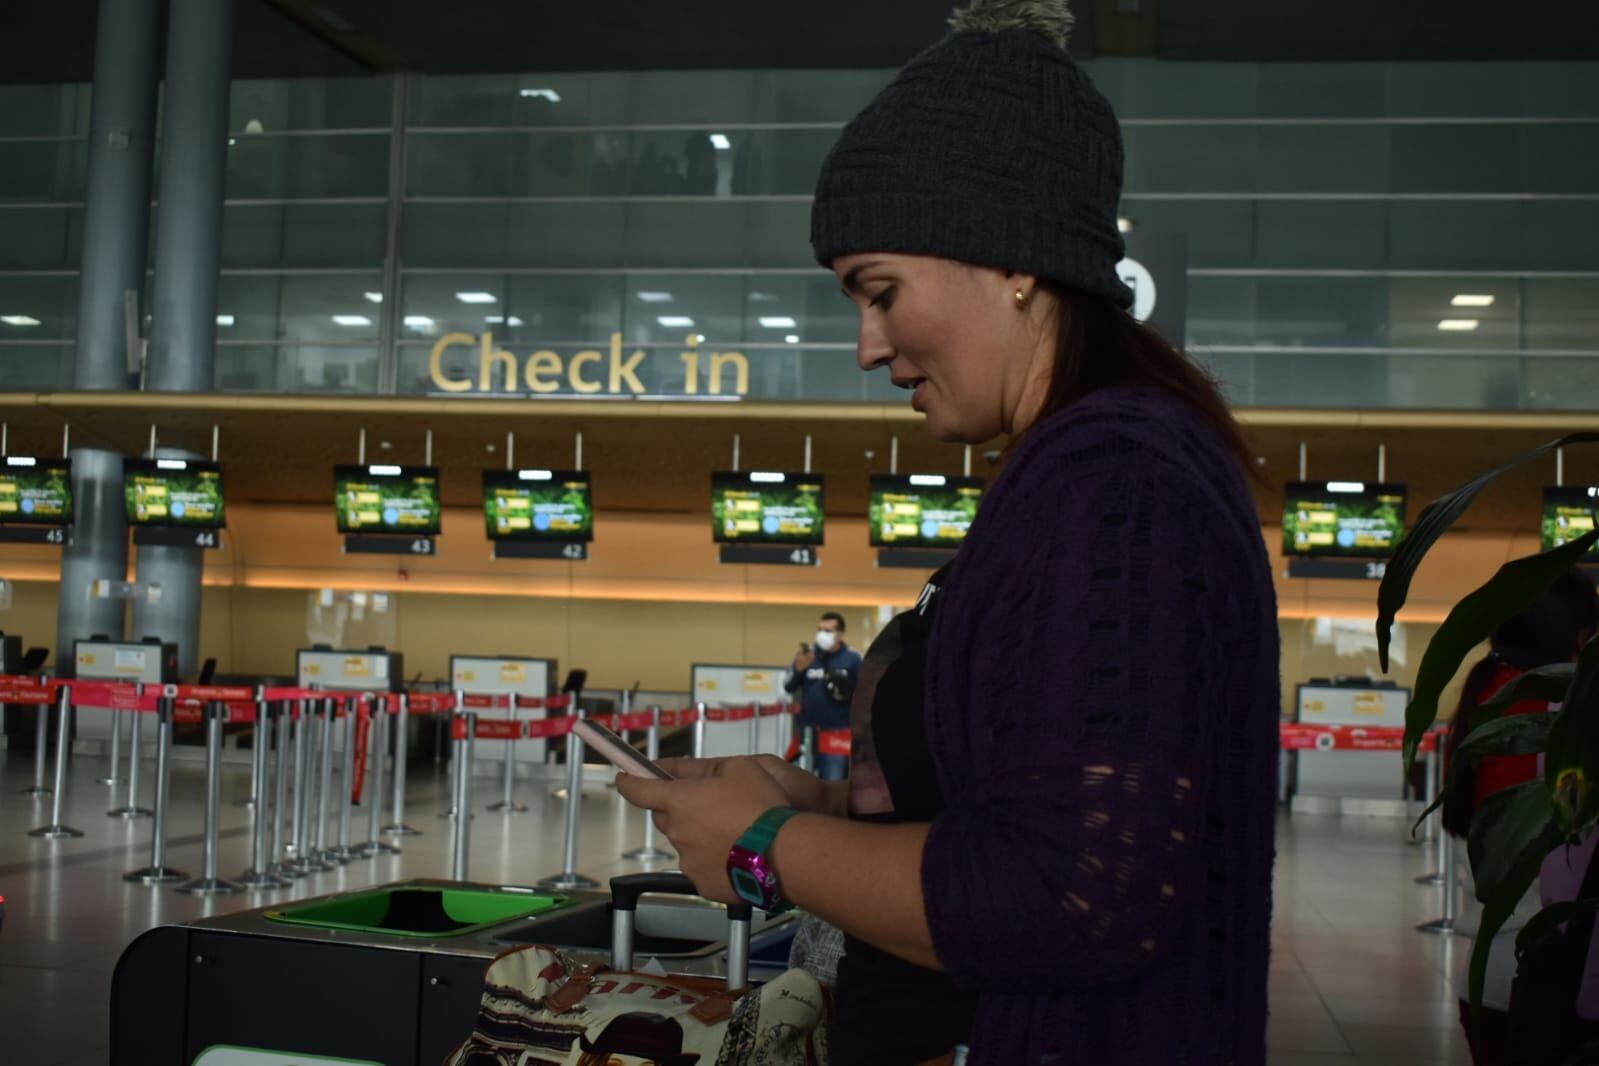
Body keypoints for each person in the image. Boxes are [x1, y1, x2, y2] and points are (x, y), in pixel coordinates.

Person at [618, 2, 1280, 1063]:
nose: (867, 347)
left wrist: (771, 841)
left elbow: (1072, 896)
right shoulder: (1075, 473)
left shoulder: (1118, 488)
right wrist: (832, 804)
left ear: (1012, 257)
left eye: (879, 293)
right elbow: (1037, 807)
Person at [1441, 573, 1598, 1065]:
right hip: (1553, 977)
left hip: (1490, 971)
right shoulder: (1566, 708)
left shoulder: (1490, 692)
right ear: (1581, 640)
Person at [783, 611, 861, 780]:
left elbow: (864, 693)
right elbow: (788, 686)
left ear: (840, 634)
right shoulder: (808, 655)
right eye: (820, 629)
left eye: (828, 630)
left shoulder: (852, 659)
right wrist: (798, 669)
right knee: (802, 784)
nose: (822, 634)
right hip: (808, 731)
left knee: (832, 784)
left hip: (837, 733)